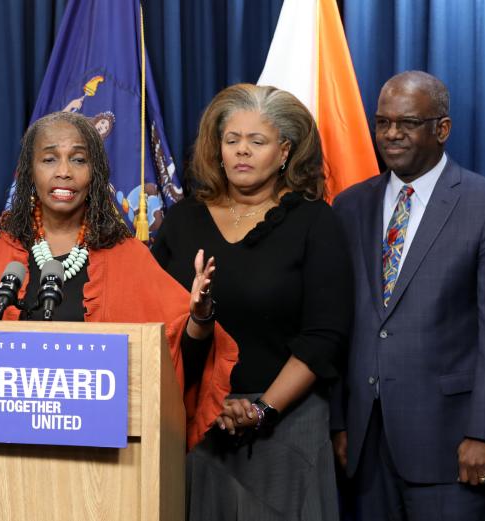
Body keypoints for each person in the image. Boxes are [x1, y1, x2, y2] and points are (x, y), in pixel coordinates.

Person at [0, 111, 239, 450]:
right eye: (49, 158)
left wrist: (200, 316)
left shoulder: (127, 256)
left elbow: (175, 354)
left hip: (98, 463)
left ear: (96, 173)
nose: (64, 172)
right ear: (28, 172)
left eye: (78, 159)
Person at [331, 71, 485, 520]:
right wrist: (339, 422)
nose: (391, 134)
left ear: (442, 129)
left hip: (453, 445)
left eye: (407, 123)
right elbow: (339, 323)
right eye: (382, 123)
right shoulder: (349, 206)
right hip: (364, 445)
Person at [152, 84, 353, 520]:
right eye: (231, 140)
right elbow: (156, 326)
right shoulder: (183, 221)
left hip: (287, 428)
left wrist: (262, 410)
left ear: (284, 152)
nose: (241, 152)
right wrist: (209, 401)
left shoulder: (315, 222)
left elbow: (324, 338)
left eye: (256, 141)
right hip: (195, 423)